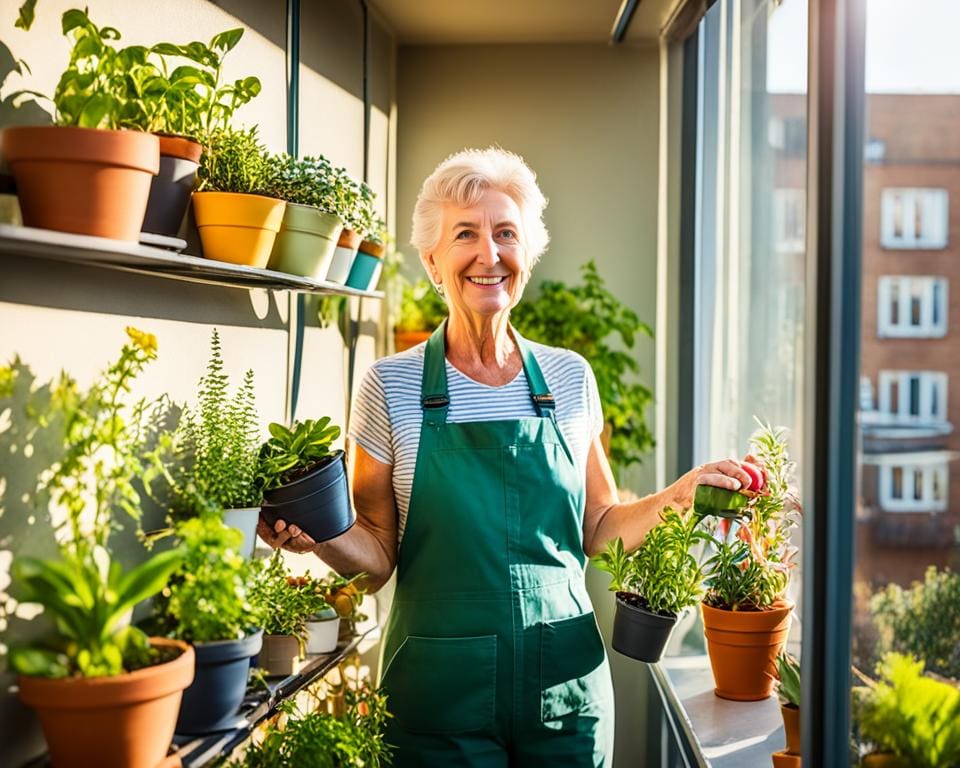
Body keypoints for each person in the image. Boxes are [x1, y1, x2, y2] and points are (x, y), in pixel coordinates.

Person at [258, 147, 760, 767]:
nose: (488, 254)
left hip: (565, 697)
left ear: (527, 254)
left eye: (506, 234)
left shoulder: (570, 378)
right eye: (465, 233)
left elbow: (600, 528)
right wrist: (320, 538)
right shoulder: (389, 386)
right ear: (433, 260)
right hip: (436, 704)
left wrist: (680, 494)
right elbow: (377, 558)